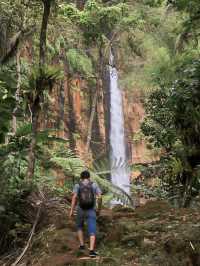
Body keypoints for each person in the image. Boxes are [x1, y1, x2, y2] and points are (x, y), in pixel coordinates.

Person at [69, 170, 102, 258]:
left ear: (81, 177)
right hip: (91, 209)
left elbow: (74, 197)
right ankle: (91, 251)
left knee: (79, 226)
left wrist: (71, 210)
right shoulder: (94, 185)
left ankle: (82, 245)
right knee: (92, 229)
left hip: (80, 209)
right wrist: (99, 209)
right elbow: (100, 196)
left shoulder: (77, 185)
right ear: (89, 177)